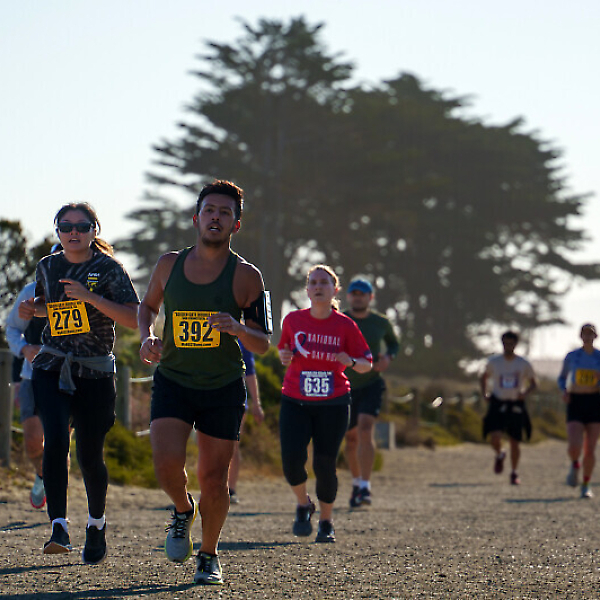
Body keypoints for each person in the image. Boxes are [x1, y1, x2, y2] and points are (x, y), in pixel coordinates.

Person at [138, 180, 271, 585]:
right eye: (210, 210)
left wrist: (237, 328)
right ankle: (183, 509)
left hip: (222, 386)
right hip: (174, 380)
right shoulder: (169, 264)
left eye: (225, 213)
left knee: (214, 479)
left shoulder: (247, 276)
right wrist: (146, 336)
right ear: (196, 218)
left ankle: (209, 555)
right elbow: (147, 307)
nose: (216, 217)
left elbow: (263, 343)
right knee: (165, 465)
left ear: (236, 224)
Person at [19, 203, 139, 564]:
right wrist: (33, 309)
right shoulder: (47, 266)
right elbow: (50, 307)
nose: (74, 232)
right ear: (57, 230)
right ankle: (58, 526)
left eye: (82, 226)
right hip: (52, 366)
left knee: (89, 455)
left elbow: (133, 317)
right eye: (66, 226)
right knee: (55, 441)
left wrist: (91, 298)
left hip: (95, 372)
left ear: (94, 230)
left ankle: (96, 524)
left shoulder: (109, 269)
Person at [278, 265, 372, 544]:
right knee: (291, 461)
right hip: (295, 399)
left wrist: (350, 361)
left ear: (335, 290)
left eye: (324, 283)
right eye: (313, 282)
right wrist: (284, 356)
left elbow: (367, 363)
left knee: (324, 463)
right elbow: (284, 349)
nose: (318, 287)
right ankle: (303, 504)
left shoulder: (345, 325)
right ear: (307, 290)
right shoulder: (293, 320)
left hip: (333, 402)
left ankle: (326, 522)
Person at [343, 278, 399, 508]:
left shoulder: (381, 322)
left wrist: (388, 358)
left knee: (366, 428)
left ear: (370, 297)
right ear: (348, 296)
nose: (358, 298)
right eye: (354, 294)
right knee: (351, 439)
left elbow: (393, 344)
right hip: (345, 384)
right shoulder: (341, 319)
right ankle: (356, 482)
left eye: (362, 294)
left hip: (372, 383)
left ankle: (365, 486)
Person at [6, 280, 47, 508]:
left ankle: (59, 511)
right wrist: (25, 348)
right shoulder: (31, 291)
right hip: (33, 376)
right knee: (32, 441)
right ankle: (42, 475)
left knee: (59, 442)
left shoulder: (83, 288)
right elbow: (12, 328)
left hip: (71, 377)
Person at [480, 331, 537, 485]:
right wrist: (485, 393)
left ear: (516, 344)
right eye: (505, 343)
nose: (508, 346)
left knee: (515, 441)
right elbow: (483, 376)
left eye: (511, 343)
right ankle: (500, 454)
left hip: (515, 403)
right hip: (498, 402)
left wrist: (524, 393)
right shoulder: (494, 362)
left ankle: (514, 472)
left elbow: (533, 383)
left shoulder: (523, 363)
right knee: (494, 437)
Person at [557, 323, 600, 498]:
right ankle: (575, 463)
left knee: (590, 448)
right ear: (580, 336)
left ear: (595, 337)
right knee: (574, 445)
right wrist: (564, 391)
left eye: (591, 334)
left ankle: (586, 484)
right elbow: (562, 378)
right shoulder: (572, 357)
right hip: (576, 401)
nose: (588, 337)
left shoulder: (599, 357)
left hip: (595, 401)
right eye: (585, 334)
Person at [224, 340, 264, 505]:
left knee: (232, 445)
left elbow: (250, 371)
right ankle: (210, 486)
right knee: (209, 446)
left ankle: (230, 489)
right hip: (208, 397)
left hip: (236, 400)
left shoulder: (242, 337)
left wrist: (257, 404)